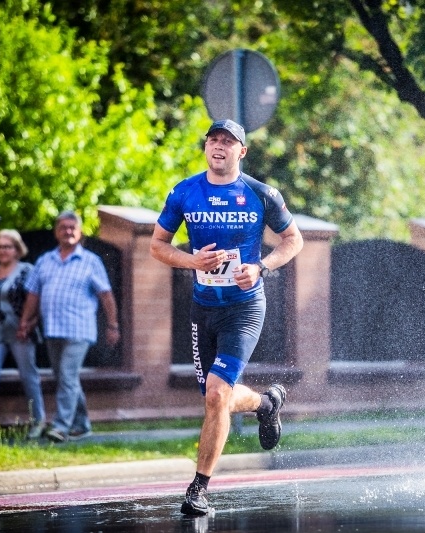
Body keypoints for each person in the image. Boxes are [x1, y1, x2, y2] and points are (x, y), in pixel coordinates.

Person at [150, 119, 304, 515]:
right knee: (214, 398)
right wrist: (192, 261)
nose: (219, 146)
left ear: (242, 151)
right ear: (206, 147)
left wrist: (261, 267)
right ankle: (266, 404)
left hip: (244, 307)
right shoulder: (184, 192)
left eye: (228, 142)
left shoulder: (260, 193)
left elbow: (294, 239)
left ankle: (198, 489)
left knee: (217, 394)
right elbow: (157, 245)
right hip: (203, 308)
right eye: (213, 140)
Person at [18, 210, 121, 443]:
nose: (68, 231)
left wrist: (113, 325)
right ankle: (82, 425)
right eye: (63, 227)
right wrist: (25, 321)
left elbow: (106, 295)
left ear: (80, 232)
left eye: (72, 227)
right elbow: (33, 293)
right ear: (56, 232)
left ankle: (61, 426)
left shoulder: (90, 261)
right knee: (66, 378)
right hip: (52, 328)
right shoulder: (45, 260)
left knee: (67, 375)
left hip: (79, 330)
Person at [0, 229, 46, 440]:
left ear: (17, 249)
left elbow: (37, 300)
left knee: (28, 376)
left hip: (20, 334)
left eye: (7, 247)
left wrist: (31, 323)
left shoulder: (26, 270)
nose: (3, 251)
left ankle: (38, 421)